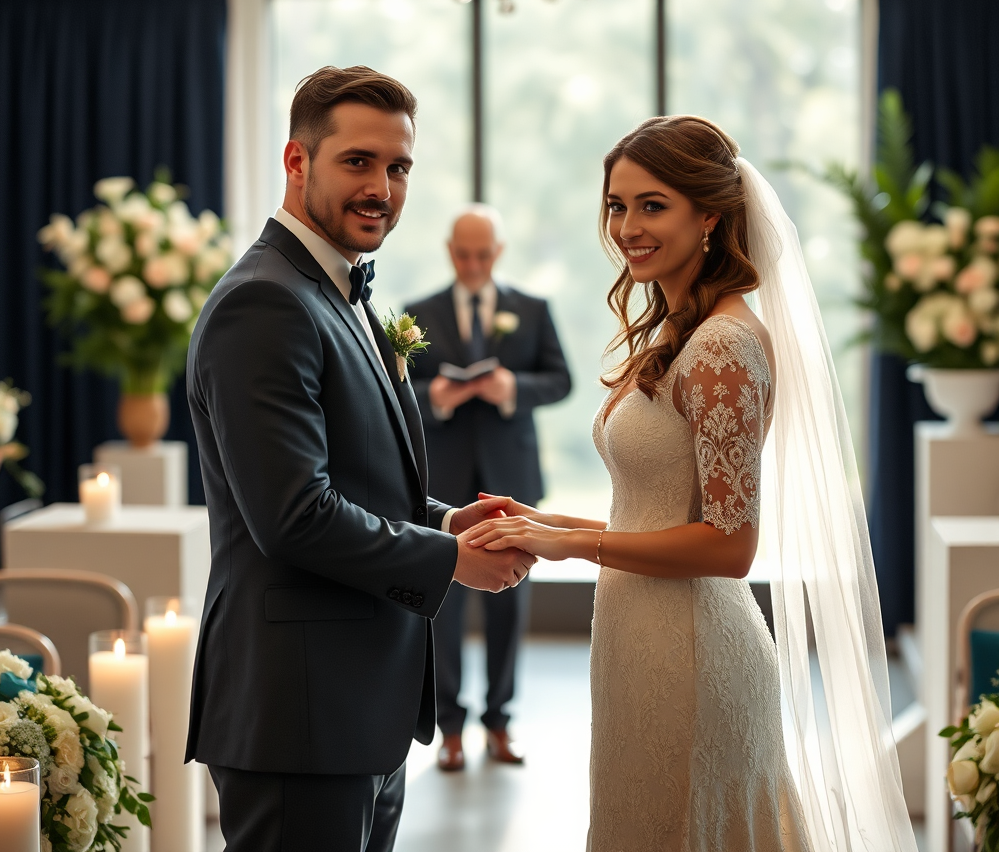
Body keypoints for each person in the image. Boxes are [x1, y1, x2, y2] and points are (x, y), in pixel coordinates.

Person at [465, 116, 919, 851]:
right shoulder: (678, 333)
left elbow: (730, 545)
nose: (628, 227)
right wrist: (545, 524)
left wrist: (573, 548)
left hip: (692, 649)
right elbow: (651, 508)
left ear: (710, 214)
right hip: (640, 638)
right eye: (617, 205)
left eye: (653, 205)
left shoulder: (724, 348)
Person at [184, 65, 534, 852]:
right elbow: (293, 516)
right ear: (296, 160)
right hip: (298, 712)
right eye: (358, 161)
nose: (382, 186)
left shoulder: (341, 291)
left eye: (399, 166)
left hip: (355, 708)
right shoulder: (263, 302)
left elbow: (356, 476)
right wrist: (450, 559)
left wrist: (448, 517)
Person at [405, 206, 572, 770]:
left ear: (498, 253)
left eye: (482, 254)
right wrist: (434, 399)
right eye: (462, 254)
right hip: (444, 480)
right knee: (442, 600)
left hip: (511, 478)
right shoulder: (417, 313)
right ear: (450, 251)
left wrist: (510, 388)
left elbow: (561, 380)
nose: (472, 264)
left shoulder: (532, 308)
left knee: (510, 602)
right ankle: (449, 727)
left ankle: (500, 721)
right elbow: (398, 392)